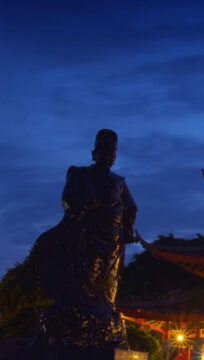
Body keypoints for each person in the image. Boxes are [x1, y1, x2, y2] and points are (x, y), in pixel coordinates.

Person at [32, 129, 137, 348]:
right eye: (104, 152)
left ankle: (105, 310)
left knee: (108, 281)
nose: (108, 157)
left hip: (112, 240)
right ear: (94, 153)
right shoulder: (81, 175)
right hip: (87, 234)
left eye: (112, 154)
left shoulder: (119, 182)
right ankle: (77, 308)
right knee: (82, 275)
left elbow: (131, 207)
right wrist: (84, 210)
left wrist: (128, 228)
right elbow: (67, 200)